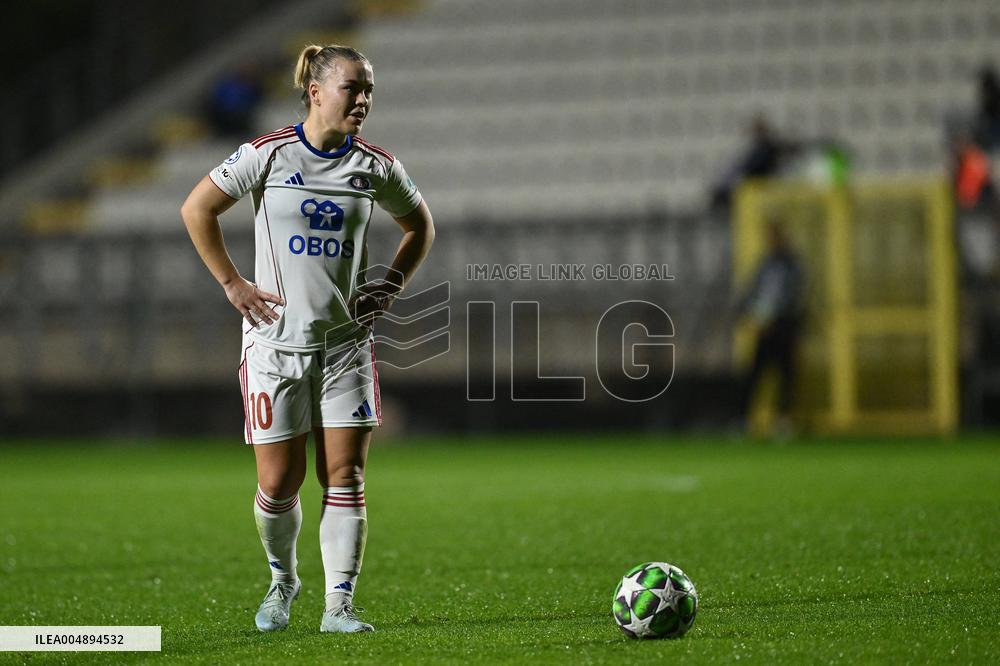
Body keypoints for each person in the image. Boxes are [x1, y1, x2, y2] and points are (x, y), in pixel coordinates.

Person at [180, 44, 435, 634]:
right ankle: (283, 580)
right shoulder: (269, 154)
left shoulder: (376, 166)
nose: (364, 99)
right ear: (317, 91)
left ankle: (338, 606)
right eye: (353, 87)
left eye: (369, 88)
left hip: (345, 345)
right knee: (278, 483)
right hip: (274, 346)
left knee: (344, 475)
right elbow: (198, 209)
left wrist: (391, 286)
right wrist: (232, 284)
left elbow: (420, 225)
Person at [736, 223, 804, 434]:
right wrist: (750, 317)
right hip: (763, 330)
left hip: (784, 329)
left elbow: (795, 297)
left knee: (785, 376)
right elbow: (752, 292)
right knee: (755, 375)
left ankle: (782, 421)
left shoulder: (793, 265)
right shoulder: (764, 265)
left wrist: (777, 319)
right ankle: (746, 420)